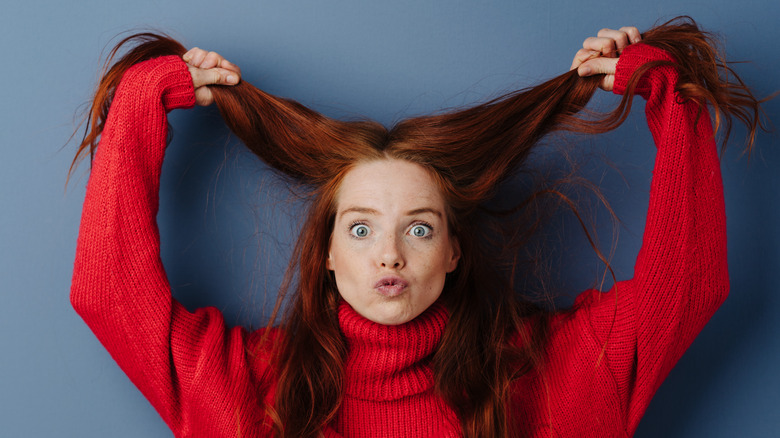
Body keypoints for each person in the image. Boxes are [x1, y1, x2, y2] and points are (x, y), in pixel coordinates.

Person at [70, 18, 763, 437]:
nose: (390, 255)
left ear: (456, 251)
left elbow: (689, 285)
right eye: (362, 230)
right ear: (329, 253)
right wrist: (138, 106)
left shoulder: (551, 372)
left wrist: (672, 101)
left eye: (422, 229)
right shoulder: (249, 387)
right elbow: (107, 297)